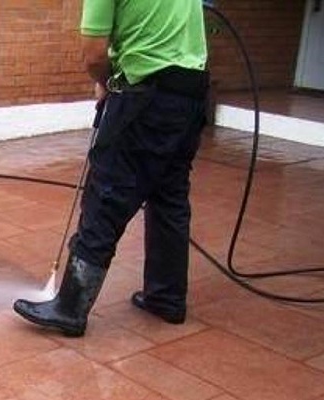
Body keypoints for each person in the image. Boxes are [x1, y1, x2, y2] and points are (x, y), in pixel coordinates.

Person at [13, 0, 210, 337]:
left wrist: (106, 82)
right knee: (169, 196)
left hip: (146, 96)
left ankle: (70, 308)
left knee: (106, 194)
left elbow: (94, 54)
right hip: (190, 95)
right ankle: (167, 298)